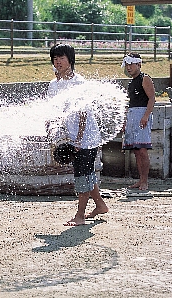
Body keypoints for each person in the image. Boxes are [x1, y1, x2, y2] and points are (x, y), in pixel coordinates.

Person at [47, 44, 108, 226]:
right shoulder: (54, 85)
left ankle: (80, 216)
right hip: (71, 136)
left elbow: (83, 113)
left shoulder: (79, 83)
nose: (58, 61)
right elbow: (52, 111)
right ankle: (100, 205)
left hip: (86, 138)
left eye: (61, 58)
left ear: (70, 60)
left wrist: (79, 140)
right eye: (55, 58)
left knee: (82, 175)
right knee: (86, 172)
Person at [121, 52, 156, 191]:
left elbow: (152, 98)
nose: (129, 67)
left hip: (142, 114)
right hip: (132, 114)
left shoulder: (145, 78)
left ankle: (145, 181)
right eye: (127, 65)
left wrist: (146, 116)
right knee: (136, 150)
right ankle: (140, 180)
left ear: (138, 64)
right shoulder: (131, 83)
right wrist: (125, 121)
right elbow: (130, 103)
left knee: (142, 149)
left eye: (131, 64)